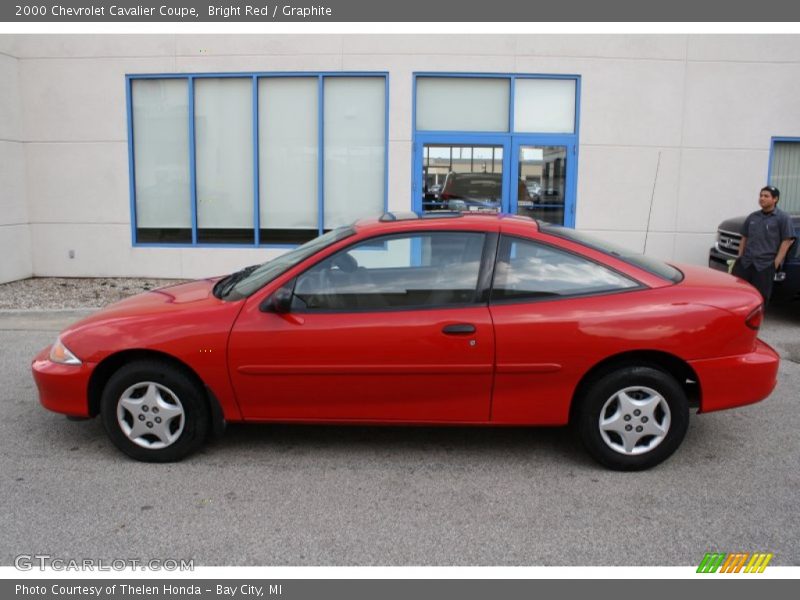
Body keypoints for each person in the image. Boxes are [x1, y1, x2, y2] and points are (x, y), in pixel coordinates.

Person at [732, 185, 796, 303]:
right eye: (761, 195)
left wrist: (775, 264)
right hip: (745, 263)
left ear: (775, 199)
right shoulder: (753, 216)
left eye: (766, 196)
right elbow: (744, 237)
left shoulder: (783, 218)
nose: (762, 198)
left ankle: (755, 321)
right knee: (738, 294)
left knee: (759, 298)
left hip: (764, 266)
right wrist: (739, 257)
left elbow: (787, 241)